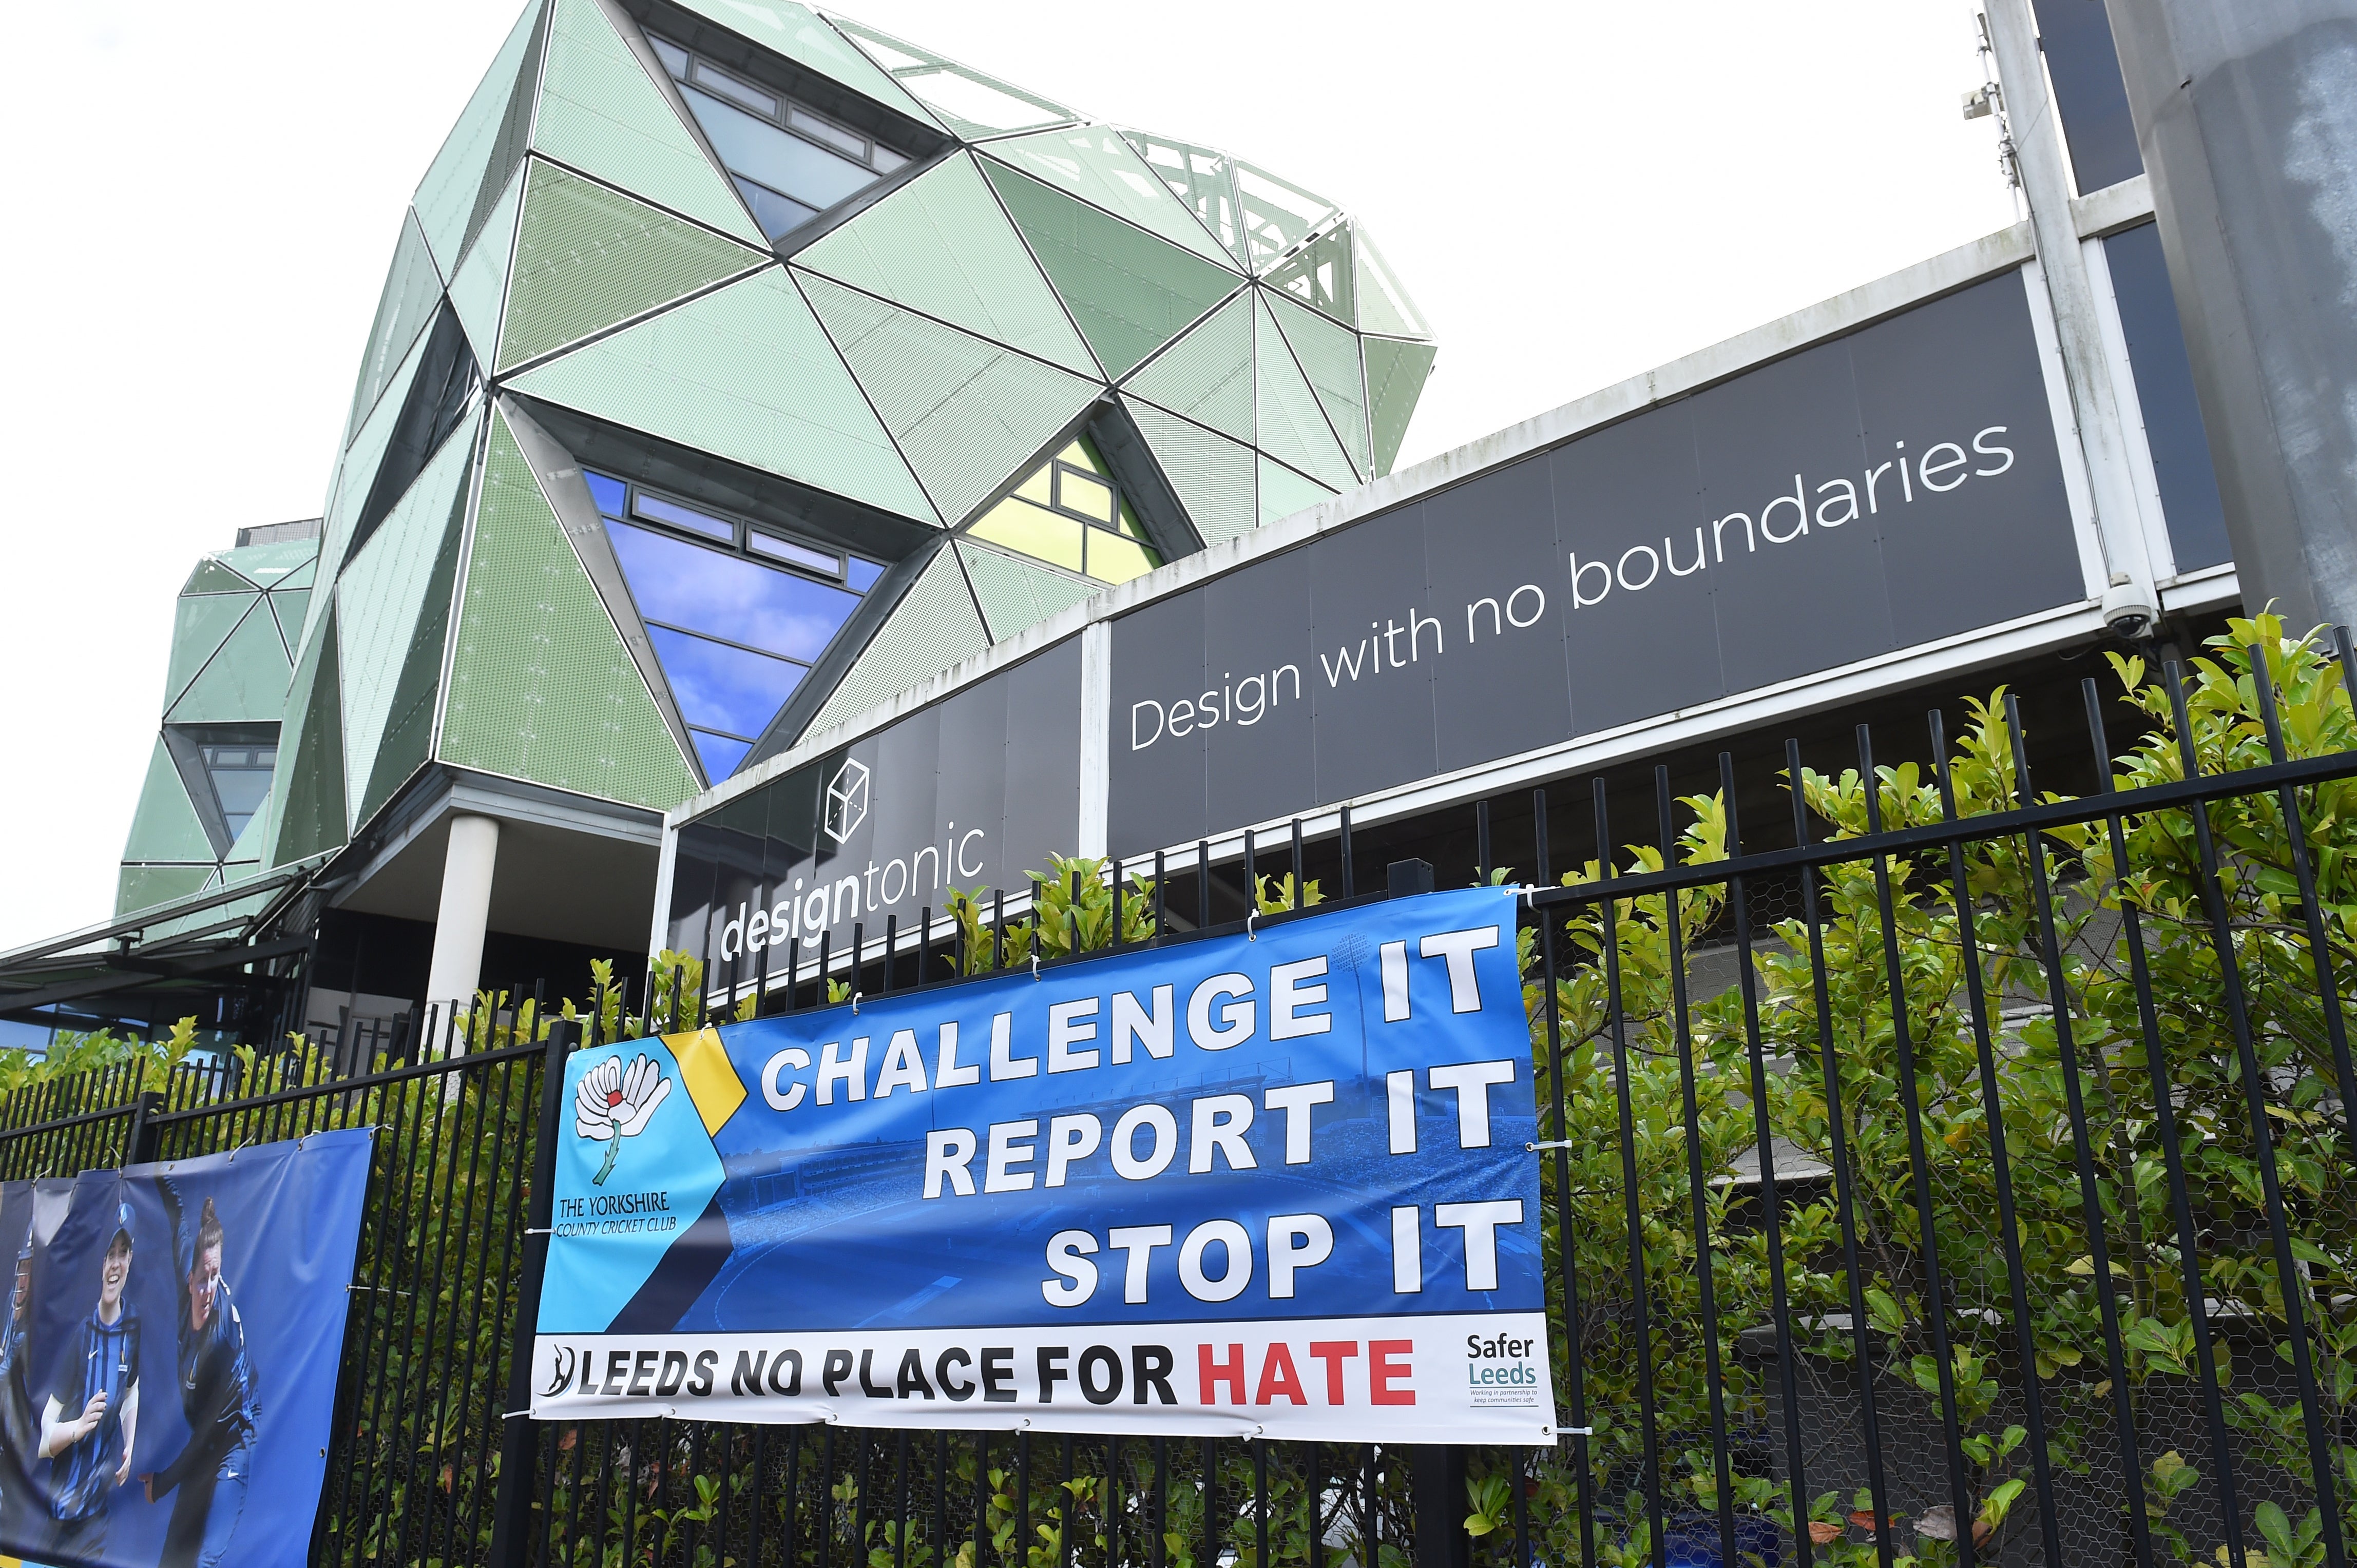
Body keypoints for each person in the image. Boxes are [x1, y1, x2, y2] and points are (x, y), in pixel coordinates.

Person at [142, 1188, 256, 1568]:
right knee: (174, 1558)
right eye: (202, 1278)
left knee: (205, 1560)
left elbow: (209, 1432)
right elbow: (178, 1219)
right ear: (190, 1277)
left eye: (216, 1276)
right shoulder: (186, 1280)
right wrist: (162, 1175)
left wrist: (163, 1482)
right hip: (203, 1441)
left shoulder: (221, 1338)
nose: (208, 1289)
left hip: (231, 1439)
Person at [39, 1203, 140, 1565]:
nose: (115, 1263)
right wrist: (77, 1428)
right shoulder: (82, 1337)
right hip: (59, 1515)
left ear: (131, 1260)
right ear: (101, 1265)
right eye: (110, 1255)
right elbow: (42, 1440)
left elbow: (132, 1390)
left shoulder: (133, 1328)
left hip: (96, 1518)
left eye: (123, 1253)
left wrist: (130, 1442)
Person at [0, 1238, 43, 1554]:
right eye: (21, 1268)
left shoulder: (33, 1327)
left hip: (15, 1442)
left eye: (29, 1269)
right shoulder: (9, 1312)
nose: (22, 1278)